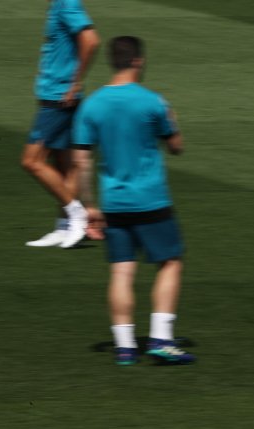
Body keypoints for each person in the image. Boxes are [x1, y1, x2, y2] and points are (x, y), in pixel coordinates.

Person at [71, 36, 195, 366]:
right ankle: (161, 339)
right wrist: (173, 119)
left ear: (113, 61)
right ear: (138, 62)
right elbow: (176, 147)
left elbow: (82, 161)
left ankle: (125, 347)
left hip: (113, 203)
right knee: (170, 262)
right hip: (152, 200)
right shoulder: (153, 102)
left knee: (122, 273)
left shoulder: (92, 105)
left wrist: (91, 208)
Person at [21, 0, 100, 248]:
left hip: (58, 98)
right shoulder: (59, 4)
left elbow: (91, 40)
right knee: (64, 163)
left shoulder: (67, 3)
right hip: (54, 95)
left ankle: (77, 215)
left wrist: (74, 83)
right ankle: (64, 227)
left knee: (31, 160)